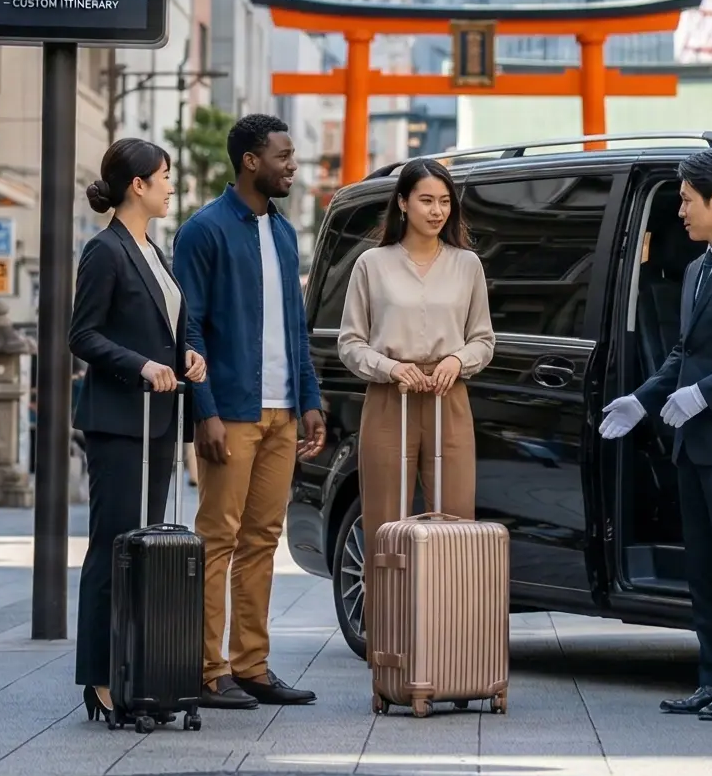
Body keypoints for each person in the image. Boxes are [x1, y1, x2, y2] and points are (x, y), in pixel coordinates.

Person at [600, 151, 712, 722]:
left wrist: (704, 394)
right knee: (702, 570)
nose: (679, 210)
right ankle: (710, 678)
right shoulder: (698, 268)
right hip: (693, 444)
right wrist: (644, 398)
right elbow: (684, 352)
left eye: (685, 199)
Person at [175, 114, 326, 709]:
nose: (292, 166)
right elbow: (189, 328)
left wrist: (309, 399)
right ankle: (207, 670)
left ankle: (252, 666)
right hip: (231, 411)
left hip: (283, 411)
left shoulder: (285, 234)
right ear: (250, 161)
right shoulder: (203, 230)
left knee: (263, 539)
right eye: (283, 156)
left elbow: (296, 326)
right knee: (218, 538)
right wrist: (203, 410)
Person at [71, 139, 204, 723]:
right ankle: (100, 680)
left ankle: (139, 674)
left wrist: (188, 353)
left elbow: (173, 322)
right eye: (165, 176)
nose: (171, 185)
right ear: (138, 186)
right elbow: (83, 336)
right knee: (115, 547)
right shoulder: (105, 251)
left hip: (158, 420)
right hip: (120, 422)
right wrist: (141, 365)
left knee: (147, 552)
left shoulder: (155, 250)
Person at [337, 157, 496, 573]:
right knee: (386, 521)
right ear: (403, 203)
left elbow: (483, 339)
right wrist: (390, 367)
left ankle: (451, 630)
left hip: (450, 398)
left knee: (456, 519)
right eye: (426, 200)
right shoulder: (372, 264)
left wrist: (458, 360)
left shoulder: (467, 265)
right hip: (392, 398)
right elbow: (350, 344)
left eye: (444, 201)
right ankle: (389, 630)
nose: (437, 210)